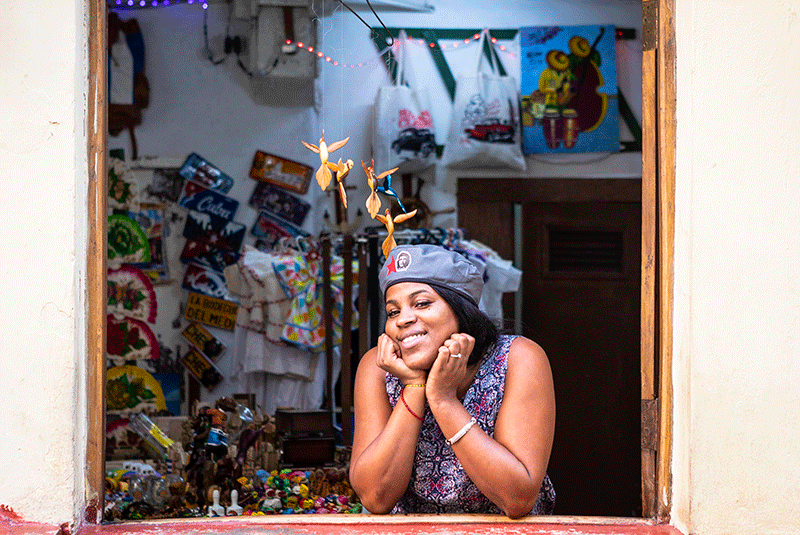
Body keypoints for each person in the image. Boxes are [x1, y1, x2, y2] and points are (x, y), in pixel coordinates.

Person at [349, 244, 555, 518]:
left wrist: (443, 401)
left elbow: (517, 498)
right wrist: (413, 388)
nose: (402, 320)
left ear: (461, 310)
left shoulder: (518, 359)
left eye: (421, 303)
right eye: (393, 311)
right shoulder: (378, 368)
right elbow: (375, 497)